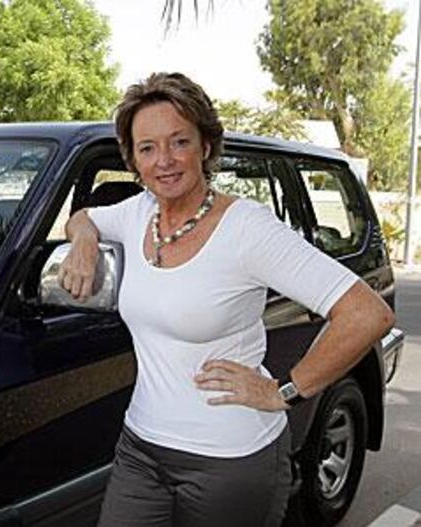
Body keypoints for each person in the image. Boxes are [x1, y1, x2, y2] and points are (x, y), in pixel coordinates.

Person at [59, 72, 394, 527]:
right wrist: (82, 242)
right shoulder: (137, 212)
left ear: (206, 145)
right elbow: (82, 217)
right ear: (133, 160)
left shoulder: (247, 229)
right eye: (148, 148)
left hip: (230, 460)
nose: (165, 160)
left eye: (180, 141)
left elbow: (366, 313)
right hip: (141, 447)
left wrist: (284, 391)